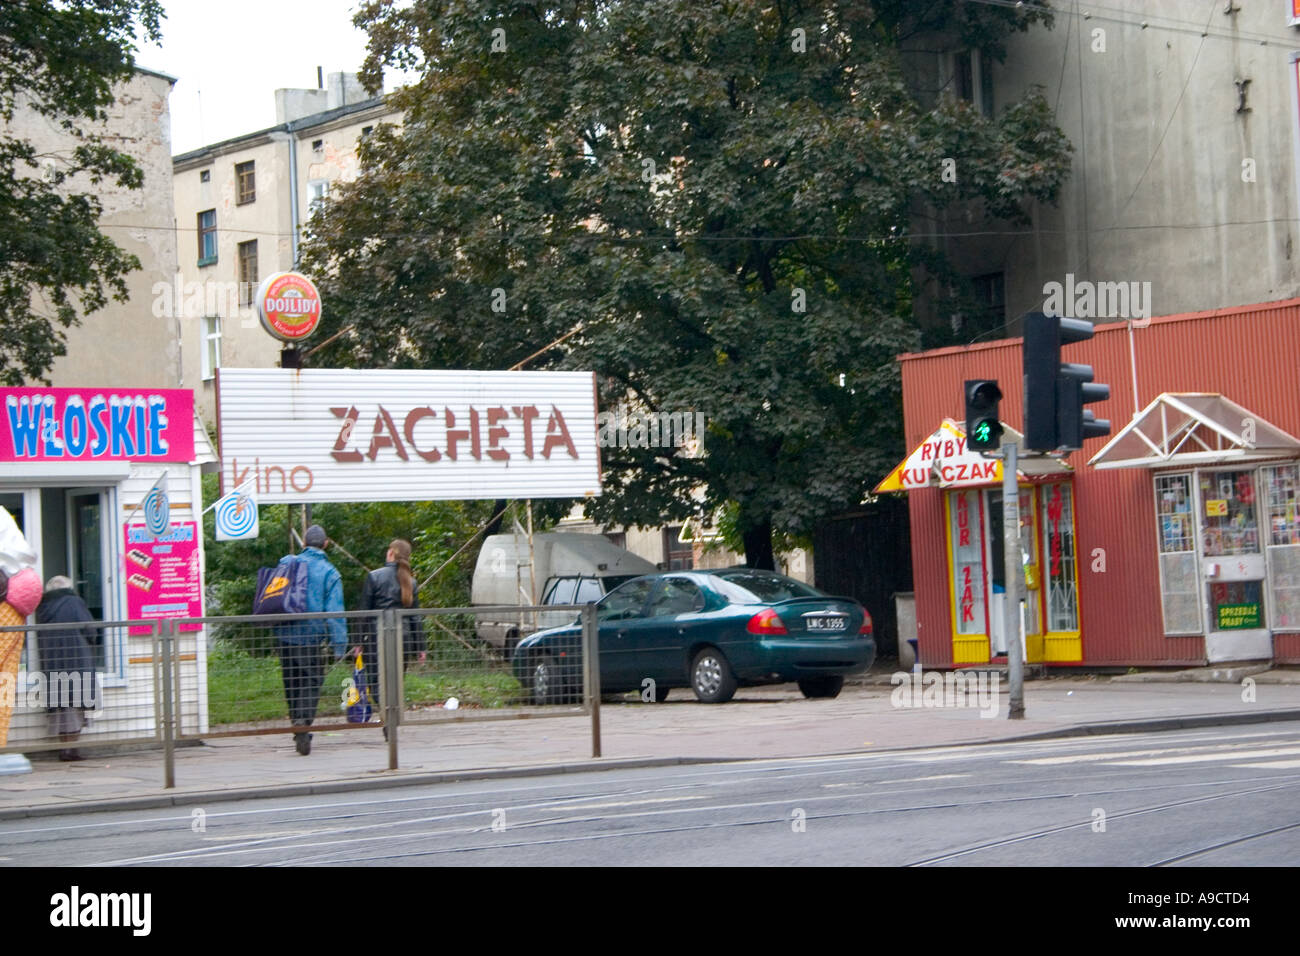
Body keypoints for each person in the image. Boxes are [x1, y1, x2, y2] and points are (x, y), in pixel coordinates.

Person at [277, 524, 346, 756]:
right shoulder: (330, 573)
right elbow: (335, 613)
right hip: (311, 636)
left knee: (292, 684)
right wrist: (339, 645)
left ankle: (299, 730)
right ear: (325, 544)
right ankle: (303, 725)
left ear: (304, 543)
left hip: (285, 634)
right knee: (312, 681)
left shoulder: (287, 563)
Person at [358, 539, 425, 723]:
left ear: (390, 554)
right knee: (396, 681)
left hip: (375, 638)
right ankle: (391, 715)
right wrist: (421, 647)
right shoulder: (411, 582)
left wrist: (357, 642)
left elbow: (363, 612)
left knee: (375, 680)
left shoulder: (374, 577)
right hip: (403, 639)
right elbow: (415, 618)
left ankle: (387, 715)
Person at [34, 576, 98, 762]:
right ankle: (72, 750)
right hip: (77, 660)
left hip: (52, 663)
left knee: (61, 706)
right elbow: (90, 630)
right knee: (77, 705)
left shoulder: (42, 607)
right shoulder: (74, 602)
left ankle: (64, 748)